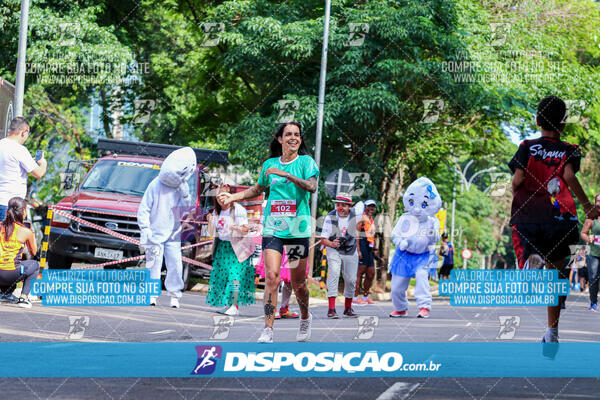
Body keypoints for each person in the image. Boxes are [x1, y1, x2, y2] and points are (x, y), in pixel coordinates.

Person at [508, 96, 599, 343]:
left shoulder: (526, 146)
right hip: (561, 219)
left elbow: (516, 181)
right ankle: (552, 332)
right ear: (564, 124)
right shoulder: (571, 149)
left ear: (537, 120)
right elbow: (569, 176)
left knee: (522, 234)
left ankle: (529, 259)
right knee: (557, 276)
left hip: (530, 216)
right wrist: (587, 205)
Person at [218, 122, 319, 343]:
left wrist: (287, 175)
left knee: (298, 283)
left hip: (297, 230)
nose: (293, 138)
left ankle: (304, 317)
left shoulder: (306, 162)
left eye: (297, 135)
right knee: (272, 277)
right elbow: (257, 189)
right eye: (288, 134)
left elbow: (311, 187)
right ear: (280, 139)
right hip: (273, 228)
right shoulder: (269, 165)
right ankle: (268, 328)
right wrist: (233, 197)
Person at [138, 147, 197, 308]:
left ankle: (174, 295)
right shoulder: (155, 184)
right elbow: (144, 209)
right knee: (153, 264)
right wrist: (145, 229)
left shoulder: (181, 186)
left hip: (173, 233)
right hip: (155, 231)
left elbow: (186, 209)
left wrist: (185, 195)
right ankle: (151, 295)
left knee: (175, 264)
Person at [389, 177, 442, 319]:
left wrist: (432, 233)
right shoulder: (404, 218)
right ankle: (400, 308)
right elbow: (395, 234)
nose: (417, 209)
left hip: (423, 256)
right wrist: (401, 242)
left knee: (422, 277)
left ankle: (424, 306)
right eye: (413, 203)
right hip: (403, 255)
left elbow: (436, 238)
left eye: (423, 204)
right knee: (396, 287)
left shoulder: (433, 221)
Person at [206, 185, 256, 315]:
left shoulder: (238, 210)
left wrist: (236, 228)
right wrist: (210, 222)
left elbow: (245, 229)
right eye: (218, 197)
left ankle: (235, 306)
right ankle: (228, 304)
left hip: (237, 247)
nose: (221, 199)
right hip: (223, 247)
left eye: (224, 196)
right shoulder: (216, 212)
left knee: (235, 277)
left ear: (230, 196)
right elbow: (211, 233)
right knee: (223, 277)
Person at [320, 193, 360, 319]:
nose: (340, 208)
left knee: (351, 279)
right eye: (337, 205)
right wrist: (331, 243)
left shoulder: (356, 215)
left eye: (343, 205)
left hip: (350, 249)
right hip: (333, 249)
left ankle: (348, 308)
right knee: (334, 273)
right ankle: (331, 309)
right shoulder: (330, 217)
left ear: (349, 206)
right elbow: (323, 240)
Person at [0, 117, 47, 221]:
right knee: (8, 237)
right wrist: (43, 163)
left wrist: (30, 161)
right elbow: (39, 173)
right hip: (10, 205)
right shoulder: (20, 150)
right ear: (24, 132)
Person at [0, 197, 40, 308]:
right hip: (11, 274)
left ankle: (5, 294)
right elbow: (34, 252)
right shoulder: (26, 231)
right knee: (34, 265)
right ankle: (23, 298)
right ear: (23, 212)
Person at [354, 199, 382, 305]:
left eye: (373, 207)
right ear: (365, 207)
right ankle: (354, 297)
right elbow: (356, 233)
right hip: (362, 245)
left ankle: (365, 297)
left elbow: (371, 235)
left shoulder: (371, 219)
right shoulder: (361, 218)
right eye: (369, 206)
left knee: (371, 273)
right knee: (360, 272)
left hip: (369, 248)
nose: (371, 208)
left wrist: (374, 249)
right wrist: (358, 249)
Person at [581, 194, 600, 311]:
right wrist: (588, 238)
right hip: (594, 253)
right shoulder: (591, 218)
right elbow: (583, 233)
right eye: (598, 201)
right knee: (593, 277)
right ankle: (593, 302)